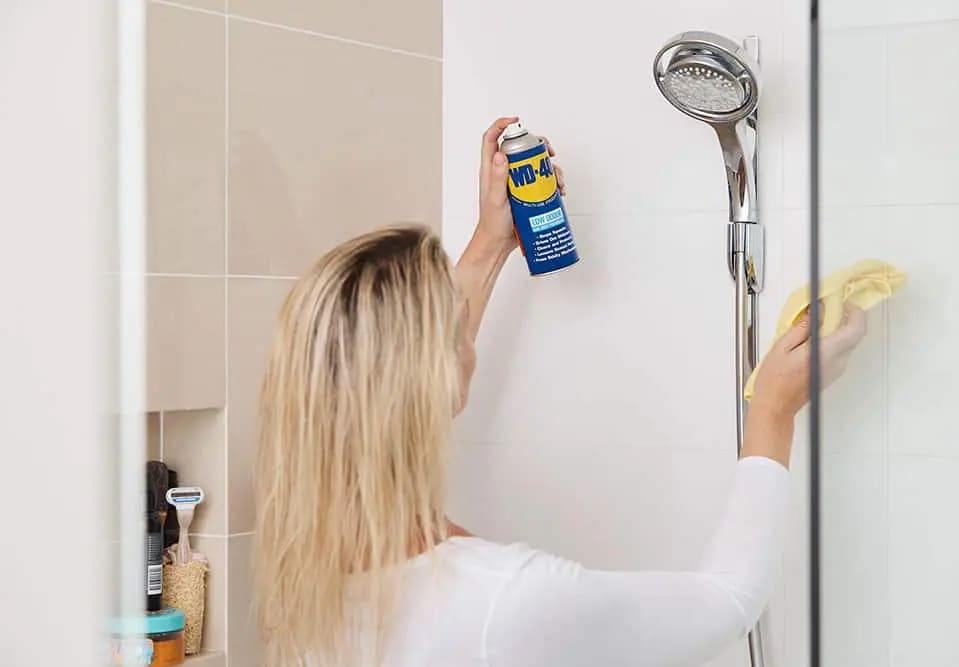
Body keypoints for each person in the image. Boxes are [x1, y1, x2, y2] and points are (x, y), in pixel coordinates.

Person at [254, 117, 868, 667]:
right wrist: (773, 409)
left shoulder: (305, 577)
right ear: (438, 374)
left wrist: (492, 242)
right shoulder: (506, 601)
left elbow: (423, 351)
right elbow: (727, 602)